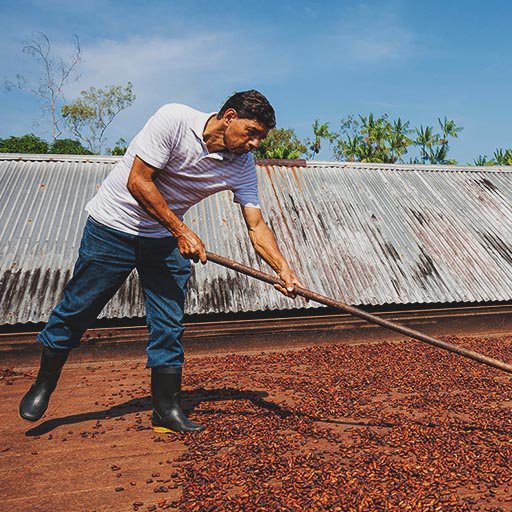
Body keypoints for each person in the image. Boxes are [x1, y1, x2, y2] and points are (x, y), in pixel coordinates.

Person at [19, 90, 301, 433]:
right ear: (228, 117)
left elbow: (256, 224)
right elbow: (138, 181)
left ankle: (166, 409)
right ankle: (44, 383)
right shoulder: (174, 120)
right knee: (79, 308)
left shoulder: (241, 166)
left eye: (261, 137)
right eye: (251, 132)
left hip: (163, 240)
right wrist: (181, 231)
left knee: (168, 323)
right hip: (113, 227)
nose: (255, 143)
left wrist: (281, 267)